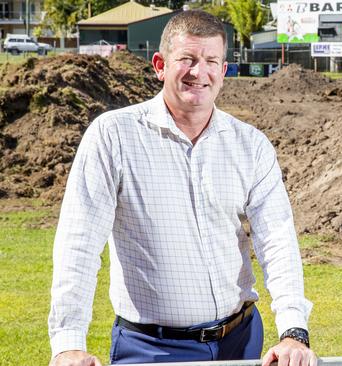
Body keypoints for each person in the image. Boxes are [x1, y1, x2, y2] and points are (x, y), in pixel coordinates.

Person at [48, 10, 317, 366]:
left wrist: (293, 332)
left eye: (210, 61)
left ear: (223, 70)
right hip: (151, 350)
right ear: (160, 65)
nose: (198, 72)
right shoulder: (113, 136)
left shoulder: (250, 145)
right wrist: (68, 344)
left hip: (241, 342)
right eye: (187, 59)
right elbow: (78, 244)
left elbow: (277, 241)